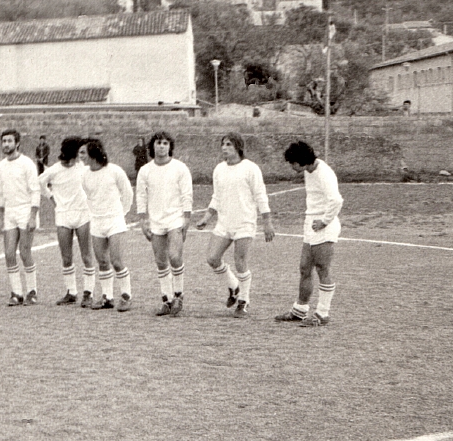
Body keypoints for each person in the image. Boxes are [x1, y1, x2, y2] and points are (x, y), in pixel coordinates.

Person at [194, 133, 274, 319]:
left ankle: (243, 301)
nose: (224, 148)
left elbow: (260, 195)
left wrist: (267, 221)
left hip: (245, 223)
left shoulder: (250, 168)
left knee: (240, 262)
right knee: (212, 258)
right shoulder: (219, 169)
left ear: (238, 147)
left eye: (228, 144)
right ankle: (234, 286)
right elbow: (217, 196)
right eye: (222, 144)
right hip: (224, 222)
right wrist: (207, 217)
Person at [276, 141, 342, 327]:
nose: (291, 166)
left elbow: (336, 201)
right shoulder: (308, 171)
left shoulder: (325, 173)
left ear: (301, 161)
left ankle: (322, 313)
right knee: (305, 268)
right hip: (310, 225)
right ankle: (300, 310)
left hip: (324, 227)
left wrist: (324, 221)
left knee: (322, 268)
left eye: (292, 163)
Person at [136, 131, 193, 316]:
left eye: (165, 143)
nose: (161, 146)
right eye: (158, 143)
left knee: (174, 256)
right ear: (153, 146)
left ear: (170, 147)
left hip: (175, 218)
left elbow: (187, 194)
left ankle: (178, 295)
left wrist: (186, 217)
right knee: (160, 261)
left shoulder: (180, 168)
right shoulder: (145, 170)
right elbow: (141, 196)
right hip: (156, 220)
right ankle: (166, 299)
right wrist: (143, 220)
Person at [40, 137, 95, 307]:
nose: (80, 156)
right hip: (63, 215)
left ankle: (88, 293)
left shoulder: (82, 167)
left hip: (82, 214)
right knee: (66, 256)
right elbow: (40, 183)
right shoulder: (54, 170)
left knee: (86, 255)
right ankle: (71, 292)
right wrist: (52, 198)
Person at [81, 138, 135, 311]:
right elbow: (88, 197)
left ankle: (126, 296)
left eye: (83, 153)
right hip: (97, 222)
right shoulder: (84, 175)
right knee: (102, 261)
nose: (81, 157)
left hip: (115, 221)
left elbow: (127, 193)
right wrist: (95, 215)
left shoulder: (114, 171)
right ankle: (107, 297)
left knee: (116, 261)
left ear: (93, 153)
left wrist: (121, 213)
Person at [0, 128, 41, 305]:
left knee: (25, 251)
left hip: (26, 211)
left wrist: (32, 216)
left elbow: (35, 190)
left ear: (17, 143)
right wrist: (0, 217)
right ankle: (16, 292)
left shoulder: (27, 163)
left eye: (9, 141)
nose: (6, 144)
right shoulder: (1, 165)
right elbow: (0, 192)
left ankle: (32, 291)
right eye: (4, 141)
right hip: (10, 213)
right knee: (8, 253)